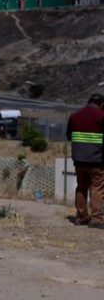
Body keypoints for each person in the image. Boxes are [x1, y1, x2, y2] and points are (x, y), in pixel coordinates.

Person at [67, 93, 104, 227]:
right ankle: (97, 219)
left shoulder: (74, 116)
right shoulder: (101, 116)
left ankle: (81, 216)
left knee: (81, 186)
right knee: (97, 188)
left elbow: (69, 136)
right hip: (97, 160)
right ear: (102, 104)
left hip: (79, 160)